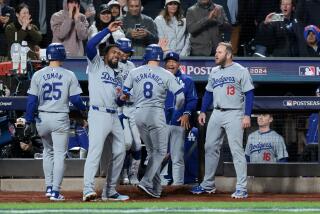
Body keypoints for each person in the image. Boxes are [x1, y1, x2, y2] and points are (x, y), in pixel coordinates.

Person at [190, 42, 254, 199]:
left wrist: (247, 115)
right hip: (217, 113)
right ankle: (208, 184)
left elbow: (249, 94)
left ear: (229, 54)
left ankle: (241, 188)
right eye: (216, 52)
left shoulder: (241, 71)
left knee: (236, 150)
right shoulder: (214, 71)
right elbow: (208, 93)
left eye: (219, 52)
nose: (216, 55)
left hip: (234, 113)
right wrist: (203, 111)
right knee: (209, 147)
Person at [25, 43, 87, 201]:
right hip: (59, 118)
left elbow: (31, 101)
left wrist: (29, 120)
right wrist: (83, 111)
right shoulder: (69, 74)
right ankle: (55, 191)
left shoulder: (38, 74)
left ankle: (48, 187)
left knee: (48, 152)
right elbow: (76, 99)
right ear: (61, 55)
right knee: (59, 154)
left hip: (42, 118)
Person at [122, 44, 185, 198]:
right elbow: (181, 96)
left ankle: (156, 189)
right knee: (161, 152)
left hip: (138, 113)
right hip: (156, 113)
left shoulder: (134, 71)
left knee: (152, 152)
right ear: (159, 58)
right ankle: (146, 181)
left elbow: (124, 93)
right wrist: (176, 109)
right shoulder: (166, 74)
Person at [82, 20, 128, 202]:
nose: (117, 55)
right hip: (98, 114)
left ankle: (109, 190)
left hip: (114, 115)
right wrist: (107, 30)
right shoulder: (96, 64)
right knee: (95, 152)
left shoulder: (119, 74)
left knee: (120, 151)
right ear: (105, 54)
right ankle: (87, 189)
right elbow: (91, 44)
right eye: (113, 52)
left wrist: (122, 98)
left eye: (119, 53)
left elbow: (117, 99)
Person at [164, 51, 198, 185]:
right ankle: (155, 183)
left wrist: (187, 114)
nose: (171, 64)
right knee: (157, 155)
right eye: (168, 61)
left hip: (178, 123)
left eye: (174, 61)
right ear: (165, 64)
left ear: (178, 64)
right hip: (161, 123)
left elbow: (192, 99)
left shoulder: (187, 80)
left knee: (177, 156)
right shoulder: (160, 78)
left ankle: (177, 185)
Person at [115, 38, 142, 185]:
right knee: (126, 143)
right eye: (123, 51)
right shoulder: (113, 65)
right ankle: (123, 172)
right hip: (120, 108)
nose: (126, 54)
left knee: (137, 145)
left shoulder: (132, 65)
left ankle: (133, 174)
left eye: (128, 52)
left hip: (133, 107)